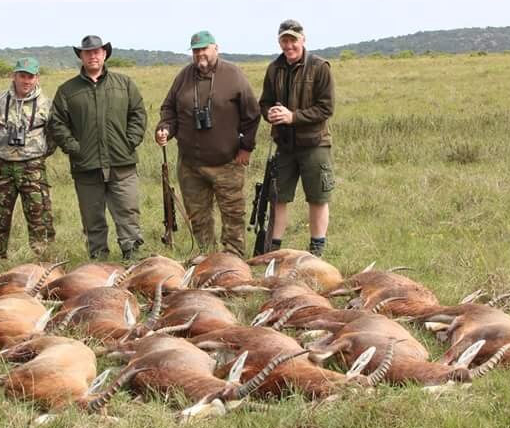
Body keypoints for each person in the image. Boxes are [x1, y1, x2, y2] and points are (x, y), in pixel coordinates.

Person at [155, 30, 259, 256]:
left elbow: (252, 114)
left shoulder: (233, 75)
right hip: (191, 164)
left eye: (204, 49)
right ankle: (206, 257)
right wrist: (165, 129)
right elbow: (168, 110)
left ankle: (233, 259)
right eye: (195, 50)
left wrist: (246, 147)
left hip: (227, 162)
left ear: (215, 48)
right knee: (198, 215)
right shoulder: (183, 77)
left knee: (233, 214)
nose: (200, 54)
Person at [49, 35, 147, 260]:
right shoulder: (67, 90)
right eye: (88, 52)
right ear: (81, 57)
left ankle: (131, 257)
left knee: (128, 212)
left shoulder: (124, 84)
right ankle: (98, 259)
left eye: (97, 51)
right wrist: (74, 148)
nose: (93, 55)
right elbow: (57, 123)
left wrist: (129, 141)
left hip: (122, 163)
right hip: (86, 166)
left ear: (104, 54)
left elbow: (138, 115)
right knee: (92, 217)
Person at [258, 19, 335, 256]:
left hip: (314, 143)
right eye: (284, 40)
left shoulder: (320, 67)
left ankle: (317, 250)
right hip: (284, 145)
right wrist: (269, 113)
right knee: (277, 197)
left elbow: (326, 108)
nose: (289, 45)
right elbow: (265, 102)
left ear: (303, 40)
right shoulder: (274, 69)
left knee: (317, 197)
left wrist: (293, 117)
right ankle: (273, 250)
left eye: (293, 40)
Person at [0, 57, 56, 260]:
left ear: (37, 78)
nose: (26, 81)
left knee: (40, 217)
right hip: (2, 166)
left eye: (30, 77)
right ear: (14, 76)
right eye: (22, 76)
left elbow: (52, 135)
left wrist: (37, 152)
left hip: (32, 166)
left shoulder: (46, 104)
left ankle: (44, 263)